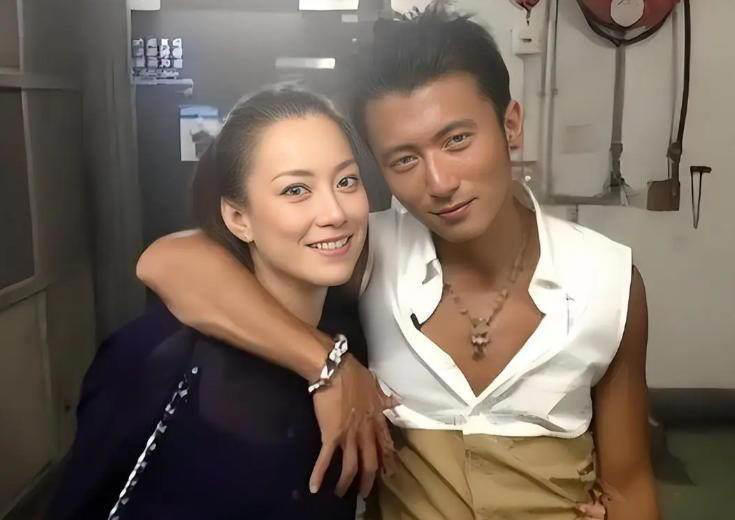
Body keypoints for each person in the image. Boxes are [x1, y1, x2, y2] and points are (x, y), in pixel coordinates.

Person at [137, 7, 654, 520]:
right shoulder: (365, 251)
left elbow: (629, 487)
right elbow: (167, 261)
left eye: (457, 140)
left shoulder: (607, 282)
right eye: (404, 159)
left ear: (510, 125)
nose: (439, 183)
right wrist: (328, 365)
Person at [46, 86, 376, 519]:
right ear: (238, 218)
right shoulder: (159, 355)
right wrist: (329, 365)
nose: (335, 212)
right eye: (296, 190)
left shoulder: (356, 328)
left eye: (346, 181)